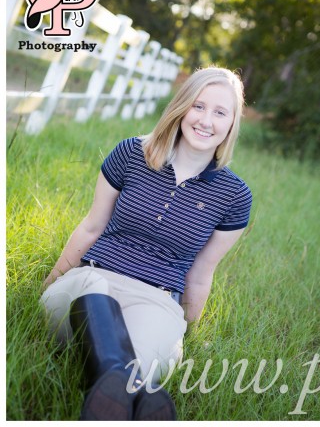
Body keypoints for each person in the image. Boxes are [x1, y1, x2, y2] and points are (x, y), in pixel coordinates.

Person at [39, 67, 253, 421]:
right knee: (97, 301)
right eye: (199, 106)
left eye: (220, 112)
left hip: (156, 300)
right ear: (182, 107)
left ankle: (113, 385)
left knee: (143, 352)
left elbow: (201, 274)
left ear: (232, 124)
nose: (206, 120)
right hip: (91, 279)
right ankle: (129, 392)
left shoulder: (234, 195)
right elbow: (92, 227)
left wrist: (186, 330)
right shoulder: (130, 153)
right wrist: (50, 283)